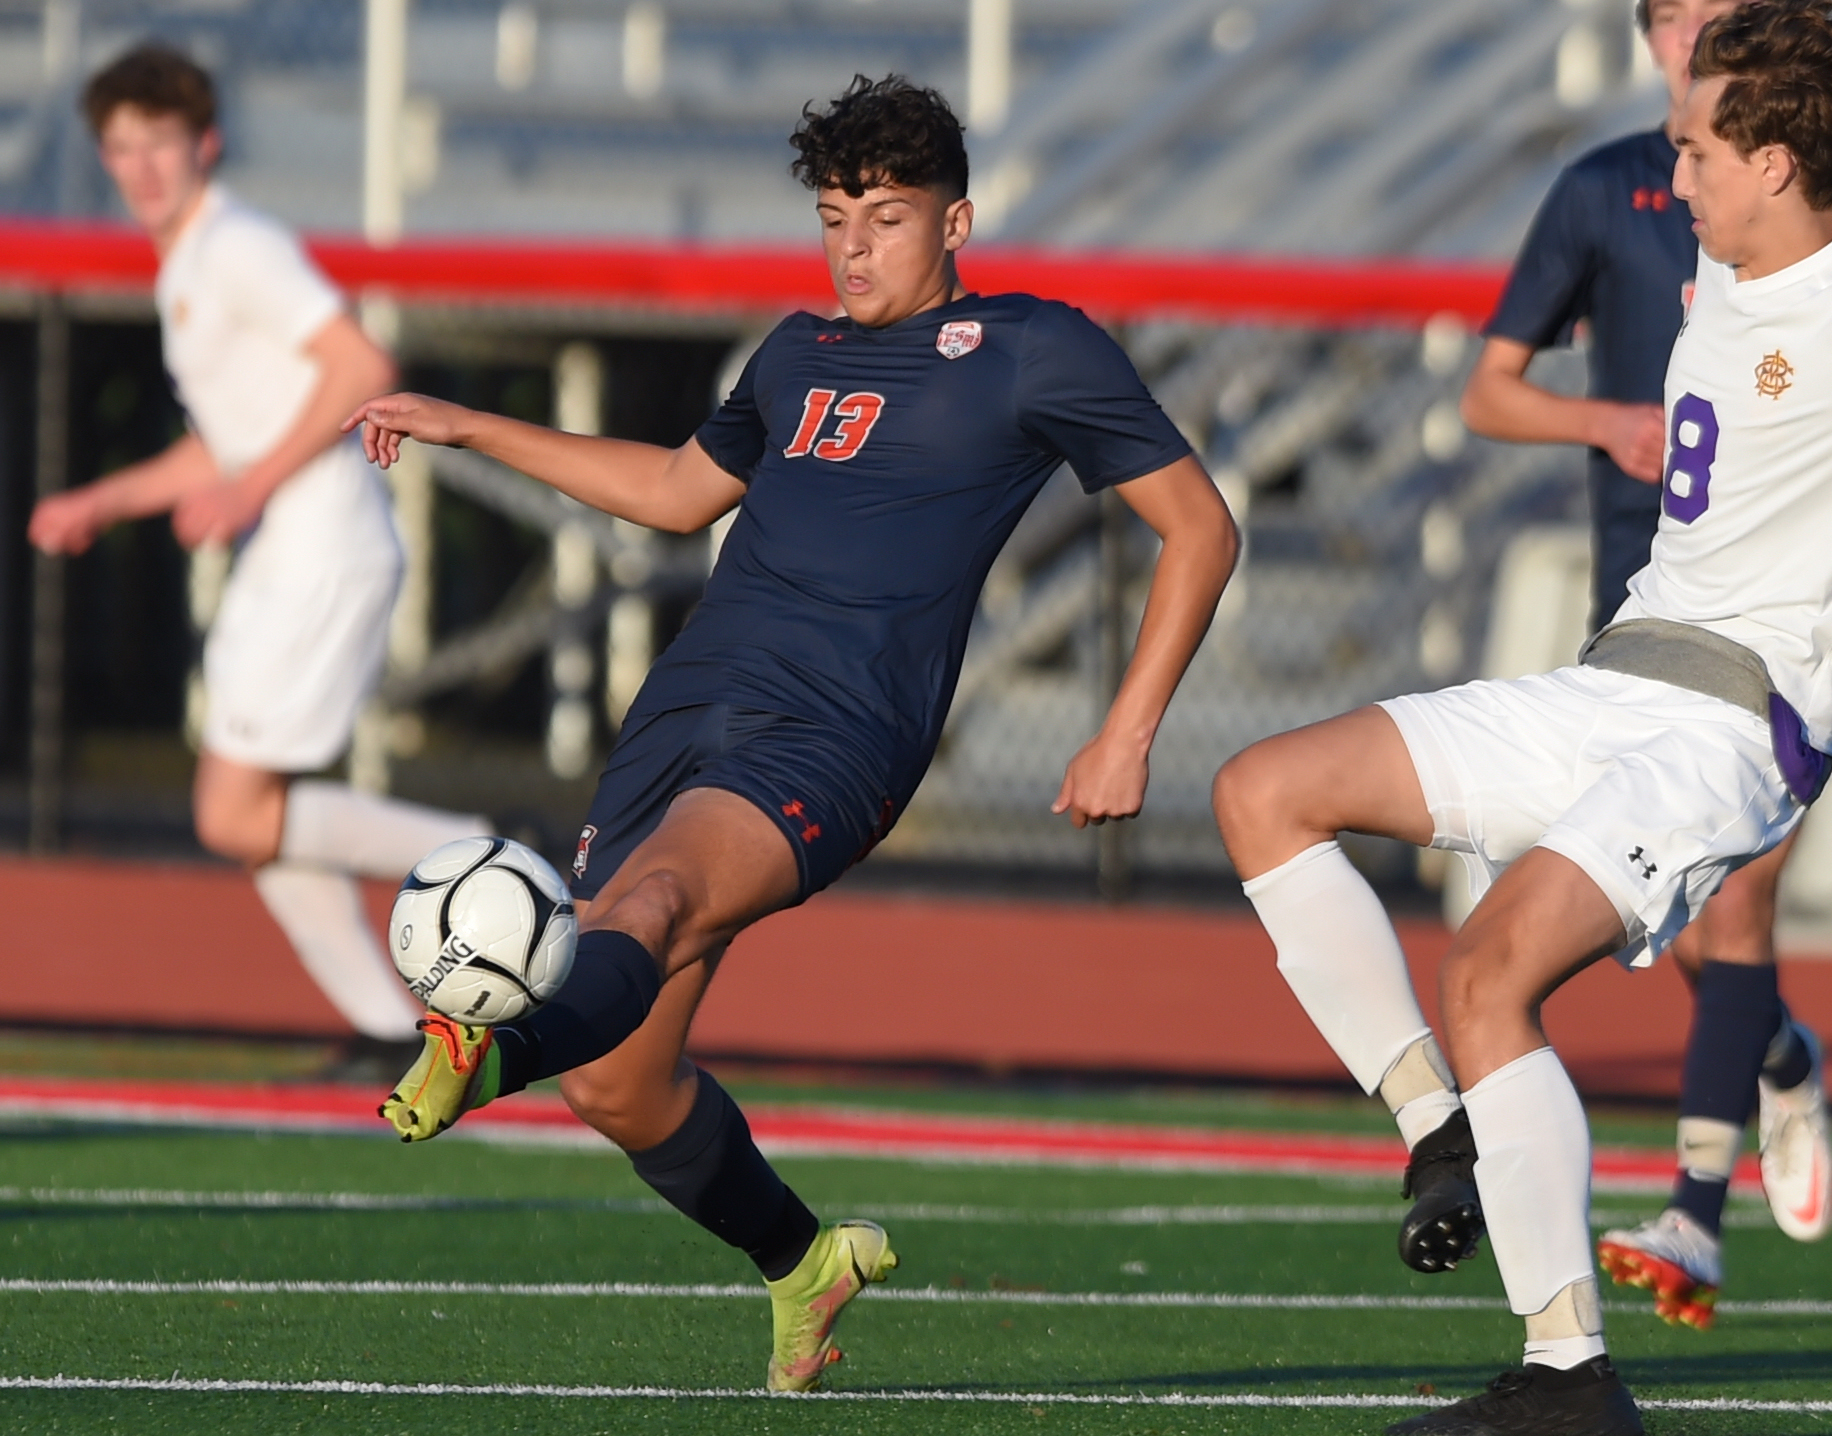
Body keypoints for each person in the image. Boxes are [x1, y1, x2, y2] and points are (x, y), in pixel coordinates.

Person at [347, 75, 1235, 1393]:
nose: (856, 246)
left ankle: (490, 1042)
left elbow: (1202, 528)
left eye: (885, 215)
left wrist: (1129, 729)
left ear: (958, 221)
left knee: (646, 905)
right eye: (835, 217)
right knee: (626, 1090)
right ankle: (804, 1262)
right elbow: (668, 493)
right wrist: (471, 420)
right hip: (683, 715)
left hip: (837, 733)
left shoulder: (1037, 350)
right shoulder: (792, 355)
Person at [1214, 3, 1832, 1429]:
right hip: (1612, 675)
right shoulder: (1719, 259)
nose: (1670, 180)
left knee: (1492, 968)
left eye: (1695, 152)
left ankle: (1571, 1376)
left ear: (1782, 162)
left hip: (1724, 732)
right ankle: (1441, 1125)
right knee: (1264, 790)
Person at [1461, 0, 1828, 1329]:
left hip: (1777, 640)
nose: (1699, 32)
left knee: (1733, 914)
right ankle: (1781, 1058)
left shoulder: (1800, 205)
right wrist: (1602, 415)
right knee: (1683, 937)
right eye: (1676, 14)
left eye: (1725, 16)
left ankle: (1694, 1212)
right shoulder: (1613, 189)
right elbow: (1487, 390)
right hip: (1640, 616)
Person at [29, 44, 489, 1055]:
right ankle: (385, 1029)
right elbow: (226, 437)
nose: (140, 166)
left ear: (207, 143)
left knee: (233, 813)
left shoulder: (235, 244)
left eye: (159, 143)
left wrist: (250, 484)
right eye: (120, 147)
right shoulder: (188, 263)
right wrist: (104, 500)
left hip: (322, 542)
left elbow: (362, 363)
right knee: (251, 813)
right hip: (287, 542)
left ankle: (490, 857)